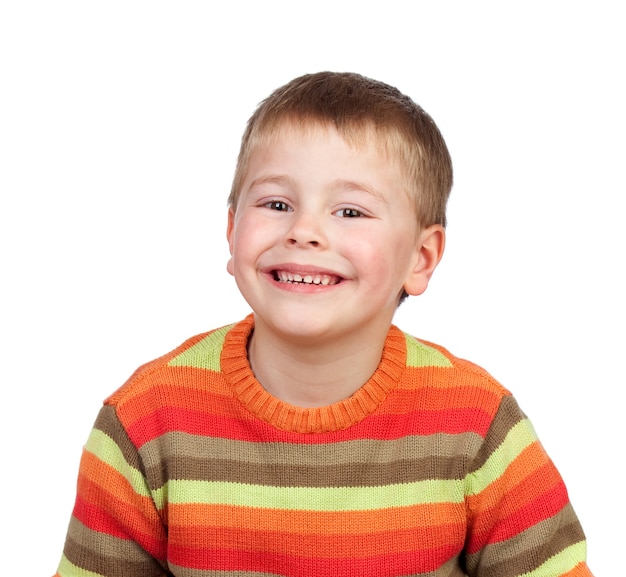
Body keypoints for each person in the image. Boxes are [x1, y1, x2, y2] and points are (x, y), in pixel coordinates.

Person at [54, 71, 593, 577]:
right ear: (231, 229)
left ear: (421, 259)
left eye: (351, 212)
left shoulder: (478, 426)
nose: (304, 230)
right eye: (276, 202)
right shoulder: (143, 422)